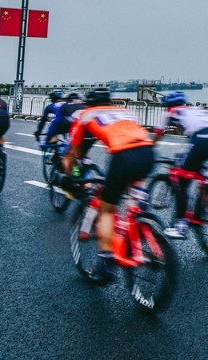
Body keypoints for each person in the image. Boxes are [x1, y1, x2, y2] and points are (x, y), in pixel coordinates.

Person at [60, 88, 155, 282]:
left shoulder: (86, 114)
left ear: (88, 103)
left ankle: (106, 259)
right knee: (131, 196)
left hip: (123, 156)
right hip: (147, 152)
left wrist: (68, 175)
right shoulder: (124, 111)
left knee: (107, 208)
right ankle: (139, 211)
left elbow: (72, 152)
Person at [152, 91, 208, 239]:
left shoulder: (170, 112)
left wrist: (149, 148)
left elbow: (158, 133)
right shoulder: (195, 109)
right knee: (199, 170)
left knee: (180, 180)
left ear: (168, 105)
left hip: (199, 142)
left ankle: (180, 225)